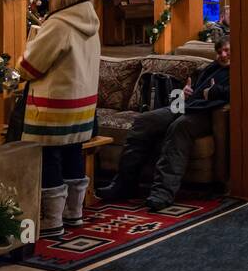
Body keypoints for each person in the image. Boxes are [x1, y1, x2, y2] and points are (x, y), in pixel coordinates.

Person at [96, 35, 231, 212]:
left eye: (227, 50)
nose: (223, 54)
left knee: (179, 128)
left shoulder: (240, 69)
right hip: (184, 106)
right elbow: (193, 88)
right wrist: (186, 91)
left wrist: (214, 92)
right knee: (144, 121)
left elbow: (233, 93)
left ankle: (162, 193)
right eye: (219, 51)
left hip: (205, 113)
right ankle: (124, 183)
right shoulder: (210, 68)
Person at [18, 0, 101, 237]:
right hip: (83, 105)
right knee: (72, 153)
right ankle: (73, 213)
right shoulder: (92, 24)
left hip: (53, 105)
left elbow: (30, 66)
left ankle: (52, 220)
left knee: (49, 157)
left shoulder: (58, 25)